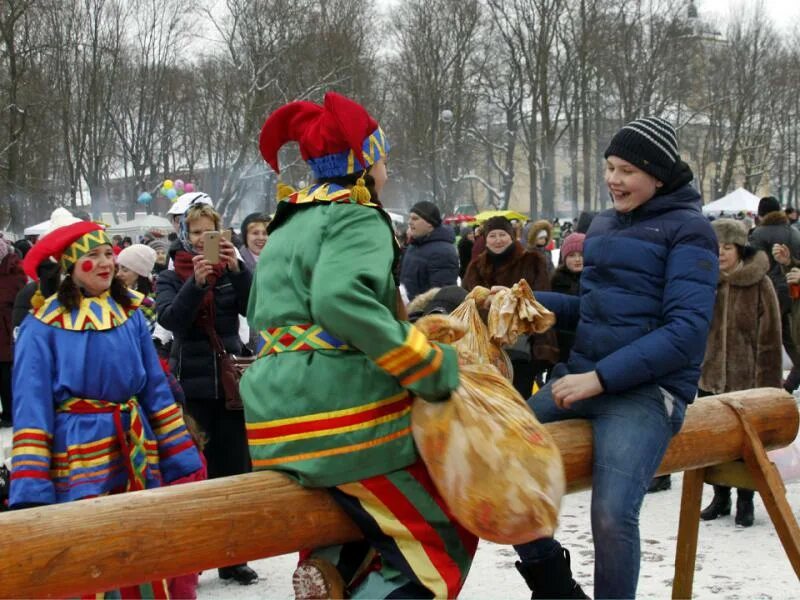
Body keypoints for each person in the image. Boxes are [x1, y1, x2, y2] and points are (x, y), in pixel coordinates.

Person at [246, 91, 475, 598]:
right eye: (384, 159)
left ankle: (329, 566)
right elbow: (337, 300)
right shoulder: (358, 216)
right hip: (337, 411)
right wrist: (428, 365)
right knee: (447, 529)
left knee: (358, 521)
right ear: (365, 165)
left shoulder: (288, 220)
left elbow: (260, 311)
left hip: (273, 413)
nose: (388, 170)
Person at [512, 117, 718, 599]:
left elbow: (686, 332)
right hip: (584, 379)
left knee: (610, 513)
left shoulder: (690, 231)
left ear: (659, 175)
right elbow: (596, 311)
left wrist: (599, 379)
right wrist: (534, 308)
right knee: (497, 456)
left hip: (647, 392)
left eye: (626, 170)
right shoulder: (603, 225)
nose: (613, 179)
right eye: (609, 167)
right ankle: (555, 584)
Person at [9, 220, 203, 596]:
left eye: (107, 255)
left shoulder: (128, 315)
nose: (105, 263)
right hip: (79, 453)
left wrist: (178, 454)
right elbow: (31, 410)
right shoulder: (42, 326)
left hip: (135, 444)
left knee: (142, 542)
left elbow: (156, 390)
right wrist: (32, 487)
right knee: (91, 550)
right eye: (92, 256)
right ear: (68, 267)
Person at [155, 202, 257, 585]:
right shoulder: (170, 275)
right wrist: (195, 284)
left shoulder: (233, 271)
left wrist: (240, 271)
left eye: (209, 232)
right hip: (191, 387)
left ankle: (233, 558)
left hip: (231, 385)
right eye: (195, 232)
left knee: (234, 475)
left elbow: (258, 310)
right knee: (195, 475)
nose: (202, 240)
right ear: (184, 234)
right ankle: (193, 558)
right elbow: (170, 320)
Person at [695, 219, 781, 527]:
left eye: (727, 247)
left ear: (740, 248)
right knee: (714, 444)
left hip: (747, 381)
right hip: (710, 379)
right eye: (715, 247)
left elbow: (770, 336)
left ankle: (746, 500)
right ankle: (720, 496)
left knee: (746, 446)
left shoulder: (760, 283)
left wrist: (768, 387)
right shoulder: (707, 281)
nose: (720, 253)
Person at [462, 216, 558, 398]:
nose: (498, 240)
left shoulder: (532, 261)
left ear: (512, 236)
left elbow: (541, 302)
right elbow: (466, 302)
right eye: (492, 236)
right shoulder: (475, 267)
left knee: (520, 399)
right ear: (485, 239)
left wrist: (510, 302)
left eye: (502, 234)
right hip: (485, 350)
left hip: (523, 347)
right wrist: (486, 306)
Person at [748, 196, 800, 392]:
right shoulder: (794, 232)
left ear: (761, 214)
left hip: (769, 291)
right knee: (790, 337)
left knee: (765, 340)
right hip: (793, 290)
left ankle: (770, 386)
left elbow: (754, 265)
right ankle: (789, 383)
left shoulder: (758, 234)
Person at [399, 200, 459, 300]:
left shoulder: (443, 252)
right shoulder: (413, 246)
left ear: (430, 224)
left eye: (415, 218)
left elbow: (442, 297)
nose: (409, 222)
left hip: (425, 314)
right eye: (410, 218)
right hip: (407, 311)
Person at [0, 236, 25, 427]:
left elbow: (21, 302)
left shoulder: (15, 273)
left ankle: (10, 413)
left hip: (7, 331)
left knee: (7, 376)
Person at [550, 232, 585, 365]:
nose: (577, 259)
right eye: (572, 255)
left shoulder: (597, 281)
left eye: (581, 255)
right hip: (562, 345)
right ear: (564, 259)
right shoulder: (555, 282)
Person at [117, 244, 158, 332]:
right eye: (117, 269)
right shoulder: (118, 294)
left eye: (125, 270)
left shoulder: (147, 303)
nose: (118, 274)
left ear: (140, 273)